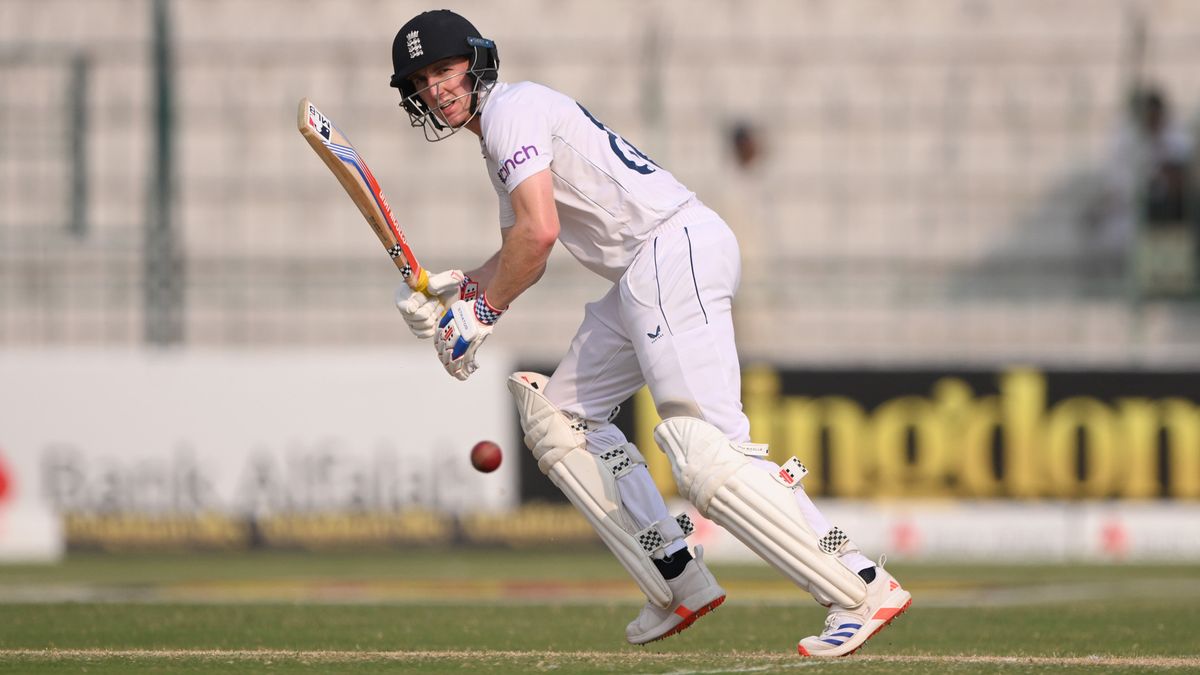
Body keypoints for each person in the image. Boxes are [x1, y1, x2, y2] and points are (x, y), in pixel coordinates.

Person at [388, 10, 911, 656]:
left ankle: (858, 583)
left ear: (476, 59)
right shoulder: (503, 133)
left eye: (444, 69)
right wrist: (457, 292)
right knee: (561, 417)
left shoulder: (510, 112)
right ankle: (676, 576)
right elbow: (517, 246)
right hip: (647, 268)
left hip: (669, 252)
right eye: (421, 81)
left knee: (709, 450)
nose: (436, 88)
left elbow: (539, 235)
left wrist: (483, 314)